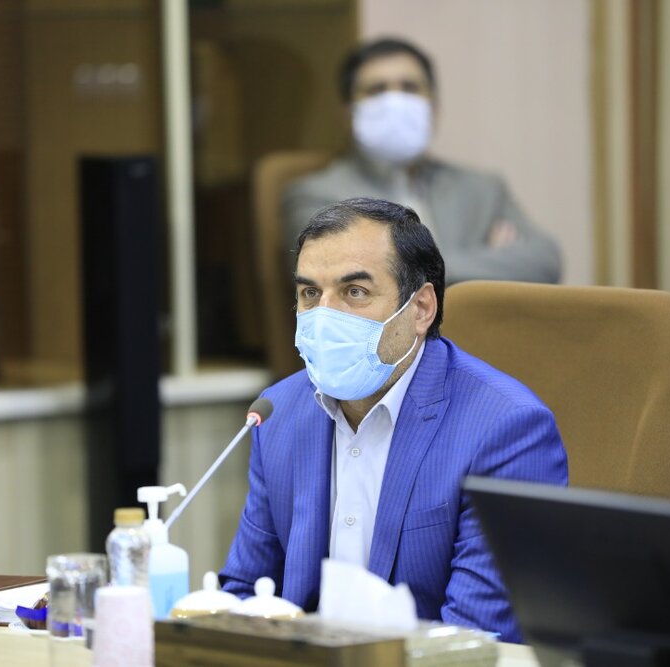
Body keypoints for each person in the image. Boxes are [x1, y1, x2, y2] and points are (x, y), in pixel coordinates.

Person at [220, 198, 568, 642]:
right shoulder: (279, 413)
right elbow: (247, 595)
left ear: (421, 308)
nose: (325, 316)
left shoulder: (507, 430)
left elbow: (472, 639)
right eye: (310, 294)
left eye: (354, 292)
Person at [283, 38, 562, 284]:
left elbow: (545, 261)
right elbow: (339, 274)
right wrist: (488, 262)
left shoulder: (483, 189)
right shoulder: (318, 195)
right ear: (349, 113)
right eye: (377, 90)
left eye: (410, 88)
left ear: (434, 108)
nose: (395, 102)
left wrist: (400, 266)